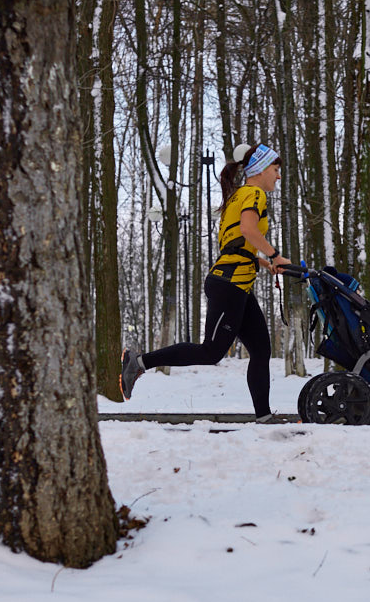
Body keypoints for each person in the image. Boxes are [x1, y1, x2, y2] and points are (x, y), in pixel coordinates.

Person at [121, 143, 292, 422]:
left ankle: (263, 417)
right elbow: (249, 230)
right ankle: (138, 362)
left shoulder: (240, 195)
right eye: (276, 169)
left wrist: (262, 262)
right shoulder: (254, 193)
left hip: (238, 283)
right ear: (261, 169)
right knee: (211, 351)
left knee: (261, 349)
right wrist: (275, 255)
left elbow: (234, 242)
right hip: (229, 284)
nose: (278, 176)